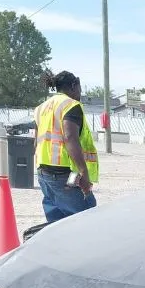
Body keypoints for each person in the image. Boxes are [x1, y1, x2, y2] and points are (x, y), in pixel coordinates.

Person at [33, 70, 99, 223]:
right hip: (66, 174)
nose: (80, 94)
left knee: (56, 223)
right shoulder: (71, 106)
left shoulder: (41, 108)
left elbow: (36, 142)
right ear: (74, 85)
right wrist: (84, 173)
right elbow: (70, 138)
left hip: (43, 173)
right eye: (79, 89)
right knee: (88, 217)